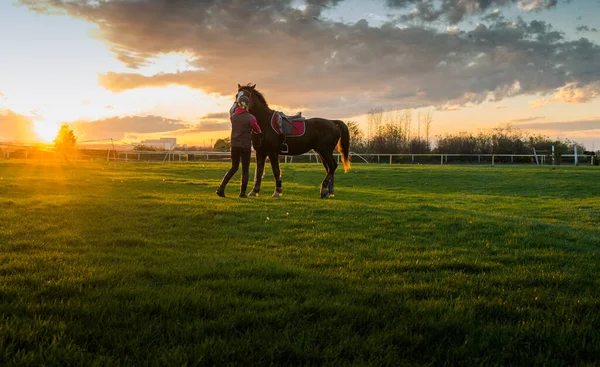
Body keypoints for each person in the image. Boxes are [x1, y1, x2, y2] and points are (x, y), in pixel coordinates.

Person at [216, 95, 262, 198]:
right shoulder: (251, 118)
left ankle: (221, 188)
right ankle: (242, 193)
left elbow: (232, 112)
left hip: (234, 145)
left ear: (238, 104)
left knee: (234, 167)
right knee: (245, 169)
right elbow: (257, 130)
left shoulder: (233, 116)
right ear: (248, 105)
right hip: (245, 146)